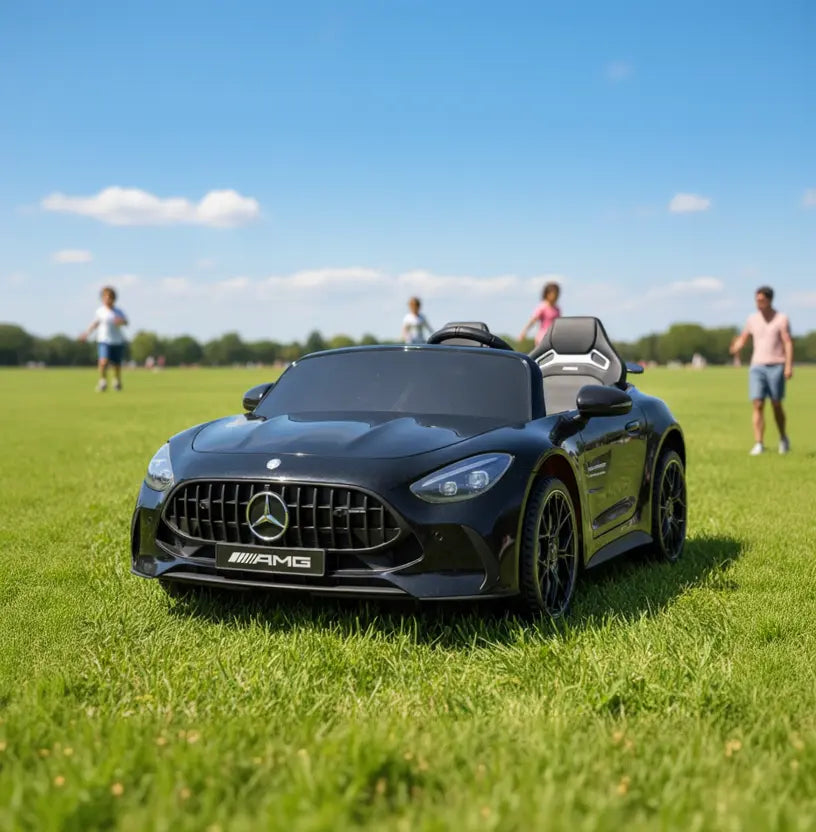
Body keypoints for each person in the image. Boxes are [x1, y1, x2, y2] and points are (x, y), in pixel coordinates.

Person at [729, 286, 793, 455]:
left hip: (777, 365)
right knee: (757, 403)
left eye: (762, 300)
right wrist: (737, 347)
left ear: (770, 300)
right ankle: (759, 443)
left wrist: (788, 365)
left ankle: (783, 437)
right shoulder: (752, 319)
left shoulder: (781, 319)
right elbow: (744, 337)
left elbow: (787, 342)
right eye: (757, 300)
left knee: (776, 404)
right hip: (757, 366)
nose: (759, 303)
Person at [79, 286, 129, 392]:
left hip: (117, 340)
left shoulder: (118, 311)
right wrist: (86, 333)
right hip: (104, 340)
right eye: (105, 297)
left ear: (114, 298)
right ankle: (102, 381)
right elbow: (95, 324)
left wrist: (121, 321)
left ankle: (117, 381)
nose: (108, 299)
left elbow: (126, 322)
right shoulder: (100, 311)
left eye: (110, 297)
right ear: (102, 298)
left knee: (117, 364)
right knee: (103, 362)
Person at [519, 281, 561, 346]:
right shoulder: (542, 307)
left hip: (554, 338)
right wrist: (524, 332)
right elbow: (533, 320)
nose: (555, 296)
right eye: (553, 294)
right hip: (543, 338)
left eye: (557, 294)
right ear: (547, 294)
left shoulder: (557, 308)